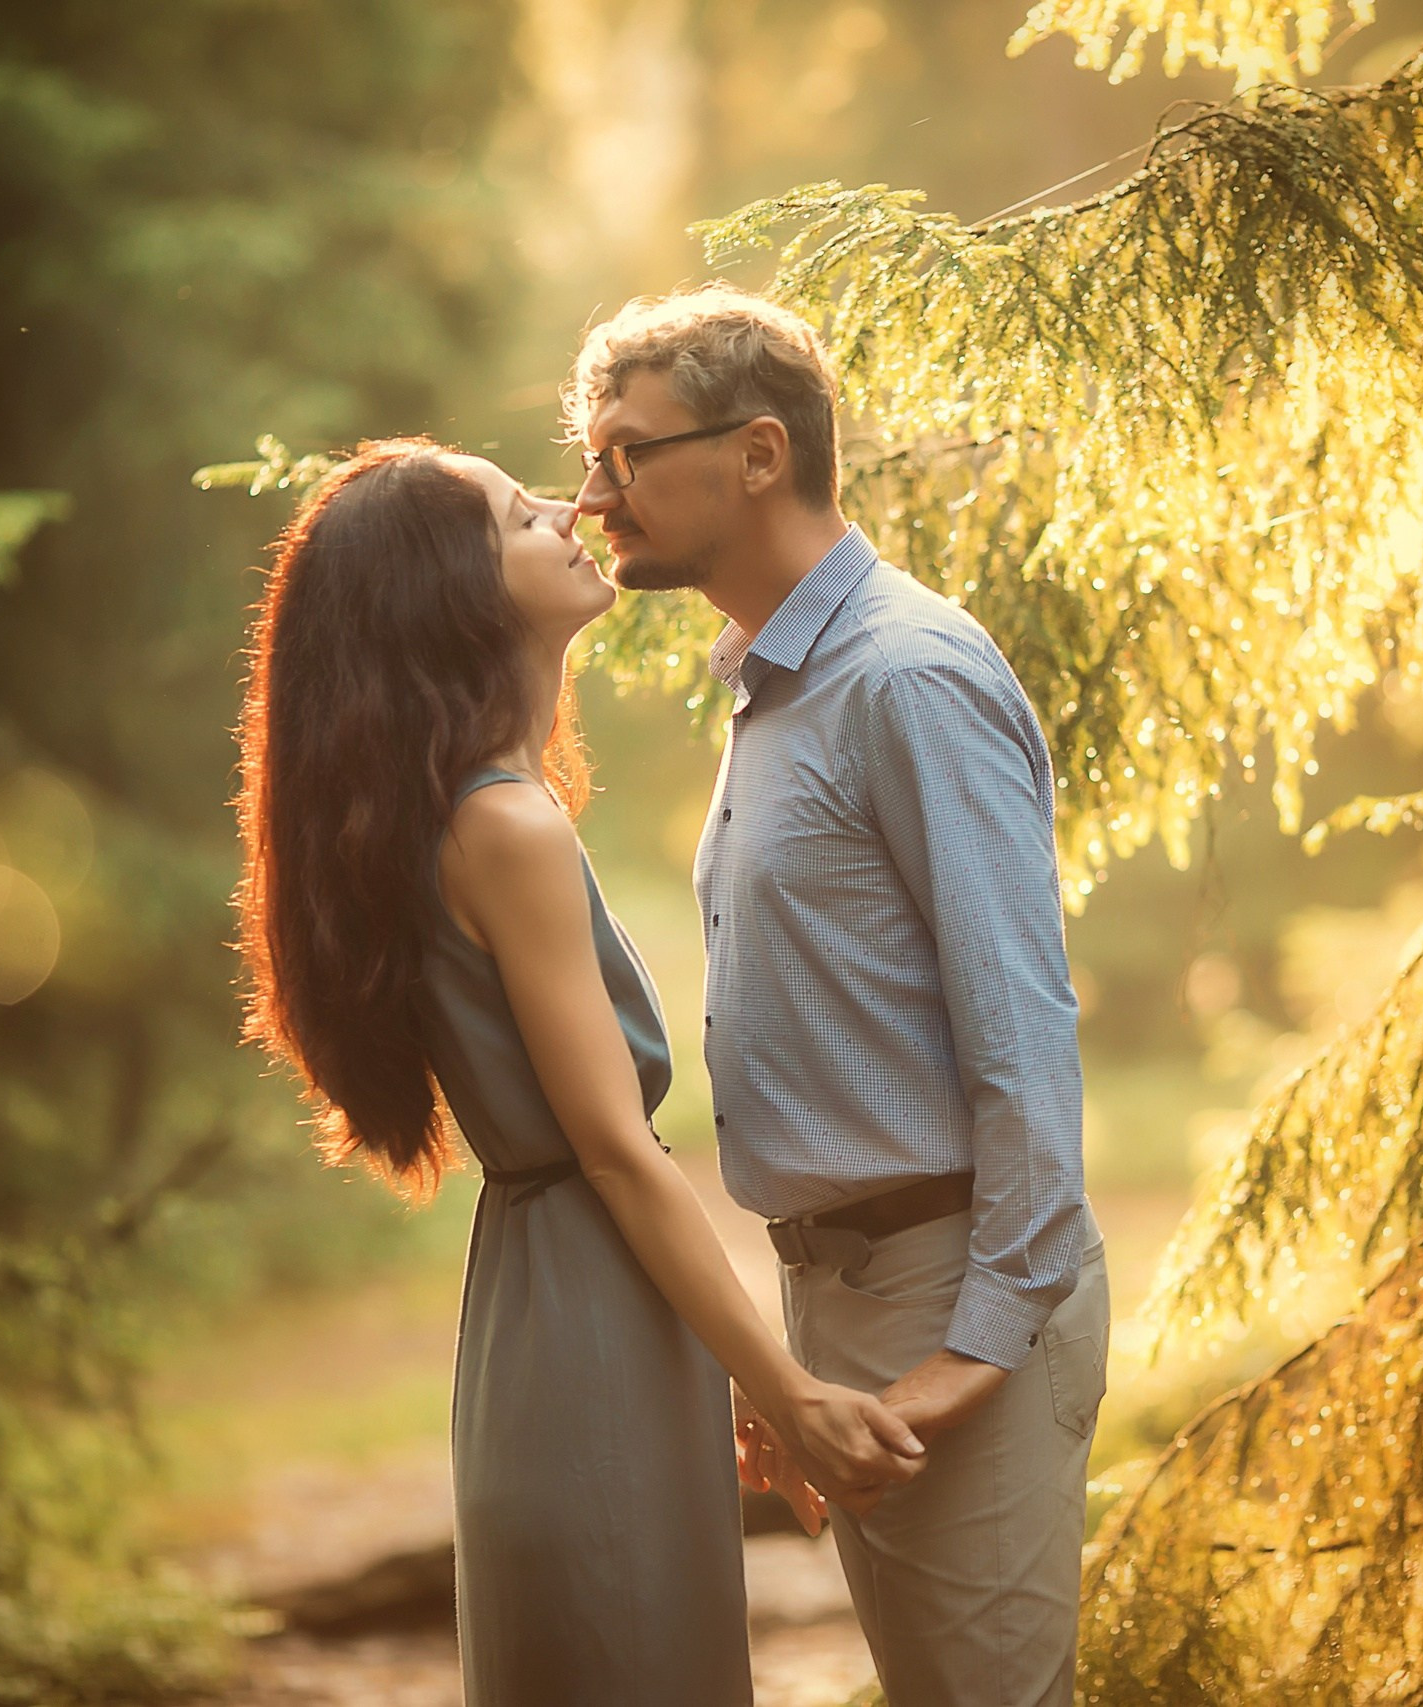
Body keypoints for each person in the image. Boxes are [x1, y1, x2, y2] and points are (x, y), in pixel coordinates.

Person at [230, 438, 926, 1707]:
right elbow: (617, 1151)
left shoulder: (471, 809)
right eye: (514, 514)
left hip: (551, 1316)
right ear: (450, 595)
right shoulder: (504, 826)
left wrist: (727, 1371)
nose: (570, 510)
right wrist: (789, 1390)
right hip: (584, 1322)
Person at [570, 287, 1110, 1707]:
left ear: (758, 453)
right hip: (849, 1297)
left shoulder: (905, 675)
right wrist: (799, 1359)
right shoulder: (776, 683)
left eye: (627, 452)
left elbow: (1025, 1036)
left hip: (952, 1296)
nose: (593, 491)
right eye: (591, 454)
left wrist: (963, 1360)